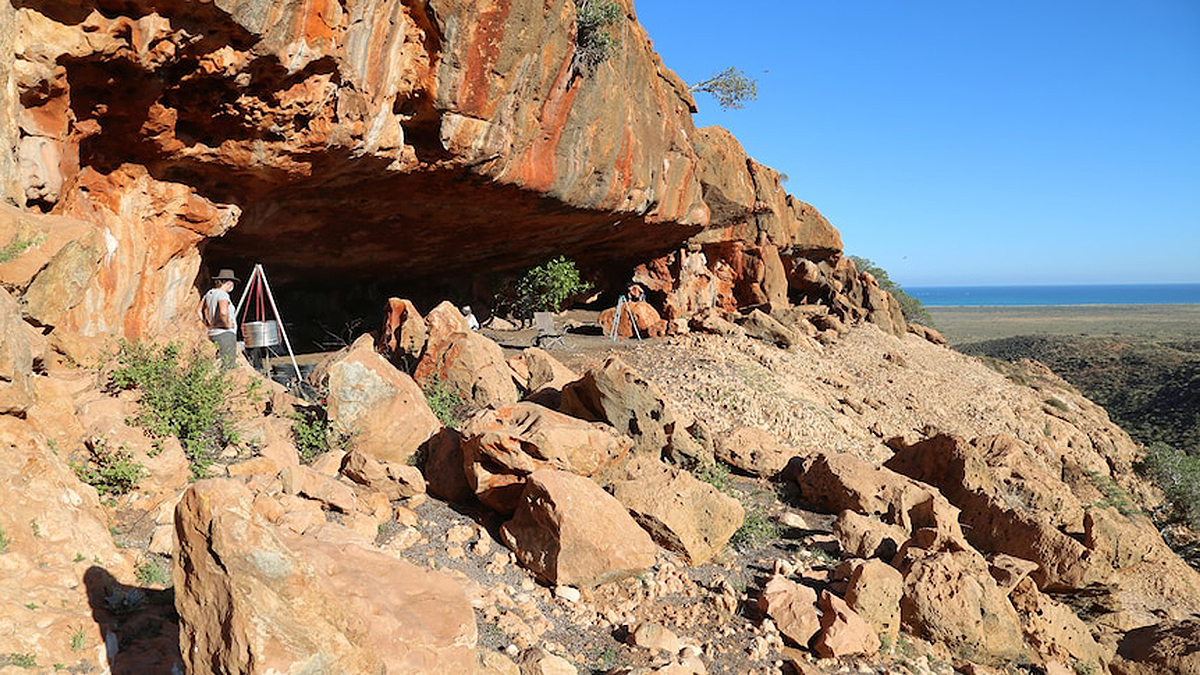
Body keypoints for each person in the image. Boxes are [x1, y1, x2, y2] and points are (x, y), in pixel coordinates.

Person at [199, 268, 239, 368]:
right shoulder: (223, 295)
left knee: (218, 363)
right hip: (225, 334)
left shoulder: (209, 293)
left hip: (213, 333)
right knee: (227, 365)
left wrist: (208, 324)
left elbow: (199, 310)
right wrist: (227, 325)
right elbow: (223, 312)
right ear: (229, 283)